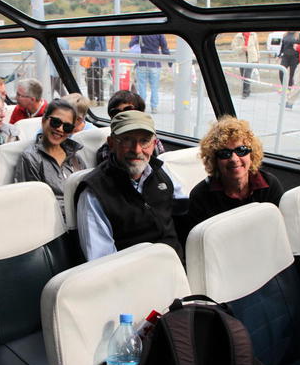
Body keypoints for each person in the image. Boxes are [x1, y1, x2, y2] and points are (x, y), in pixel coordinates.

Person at [76, 110, 186, 261]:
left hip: (178, 263)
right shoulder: (94, 193)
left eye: (144, 141)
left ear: (154, 144)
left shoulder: (161, 170)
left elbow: (185, 212)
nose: (137, 150)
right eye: (127, 140)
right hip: (135, 275)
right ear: (111, 143)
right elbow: (102, 261)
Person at [188, 116, 284, 229]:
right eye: (224, 153)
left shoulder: (270, 185)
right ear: (215, 160)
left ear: (251, 154)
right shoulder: (200, 196)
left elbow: (279, 231)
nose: (234, 159)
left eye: (241, 150)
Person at [14, 99, 85, 214]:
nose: (60, 129)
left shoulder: (75, 157)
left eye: (67, 127)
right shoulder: (30, 158)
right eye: (56, 122)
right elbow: (32, 203)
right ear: (43, 121)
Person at [96, 90, 165, 165]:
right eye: (115, 113)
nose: (122, 116)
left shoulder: (153, 142)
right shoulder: (106, 151)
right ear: (111, 143)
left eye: (128, 110)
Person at [129, 34, 171, 111]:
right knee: (154, 87)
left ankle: (141, 106)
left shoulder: (141, 32)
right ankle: (154, 107)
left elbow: (131, 44)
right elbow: (164, 47)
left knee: (141, 86)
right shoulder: (159, 33)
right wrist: (169, 60)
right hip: (155, 63)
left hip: (142, 63)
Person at [231, 32, 260, 99]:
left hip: (252, 59)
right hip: (242, 59)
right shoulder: (238, 36)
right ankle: (248, 90)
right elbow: (234, 47)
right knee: (243, 76)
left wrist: (258, 57)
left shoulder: (253, 34)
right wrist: (241, 48)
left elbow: (256, 46)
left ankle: (245, 92)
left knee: (247, 75)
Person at [82, 36, 108, 105]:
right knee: (98, 80)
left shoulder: (93, 35)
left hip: (93, 61)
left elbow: (97, 46)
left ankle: (92, 100)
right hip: (99, 62)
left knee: (91, 80)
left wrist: (94, 57)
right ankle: (100, 100)